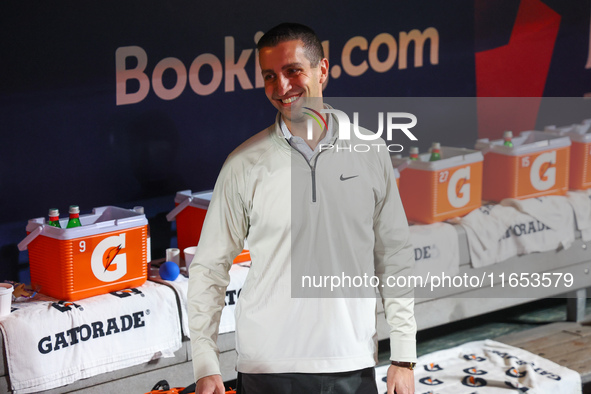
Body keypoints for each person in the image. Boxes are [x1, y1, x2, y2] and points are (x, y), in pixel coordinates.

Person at [188, 22, 416, 394]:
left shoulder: (371, 151)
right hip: (266, 365)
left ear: (322, 70)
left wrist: (404, 354)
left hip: (350, 358)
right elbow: (209, 268)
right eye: (269, 76)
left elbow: (394, 255)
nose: (282, 87)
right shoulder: (243, 165)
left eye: (293, 70)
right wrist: (205, 362)